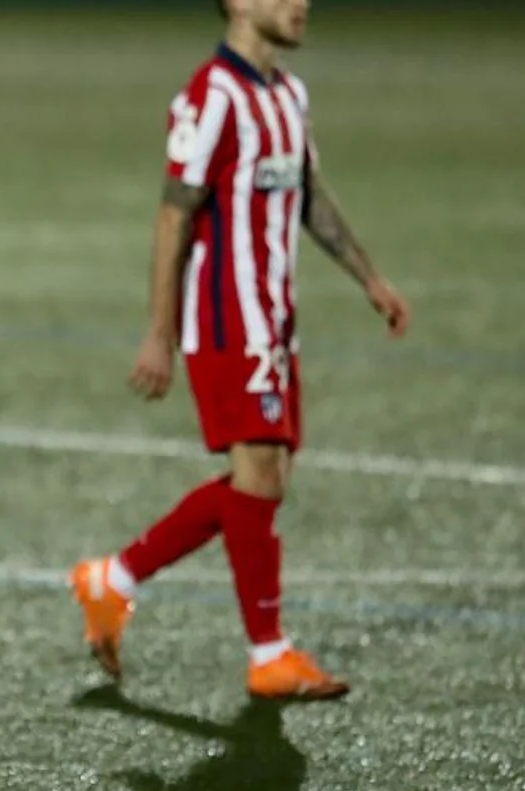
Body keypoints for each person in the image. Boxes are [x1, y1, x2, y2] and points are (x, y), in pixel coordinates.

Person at [70, 0, 411, 700]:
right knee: (258, 474)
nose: (300, 3)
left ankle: (113, 580)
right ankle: (268, 654)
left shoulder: (288, 94)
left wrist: (369, 277)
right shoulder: (211, 96)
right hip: (225, 320)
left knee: (265, 481)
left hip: (275, 322)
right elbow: (174, 213)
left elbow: (308, 193)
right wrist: (160, 334)